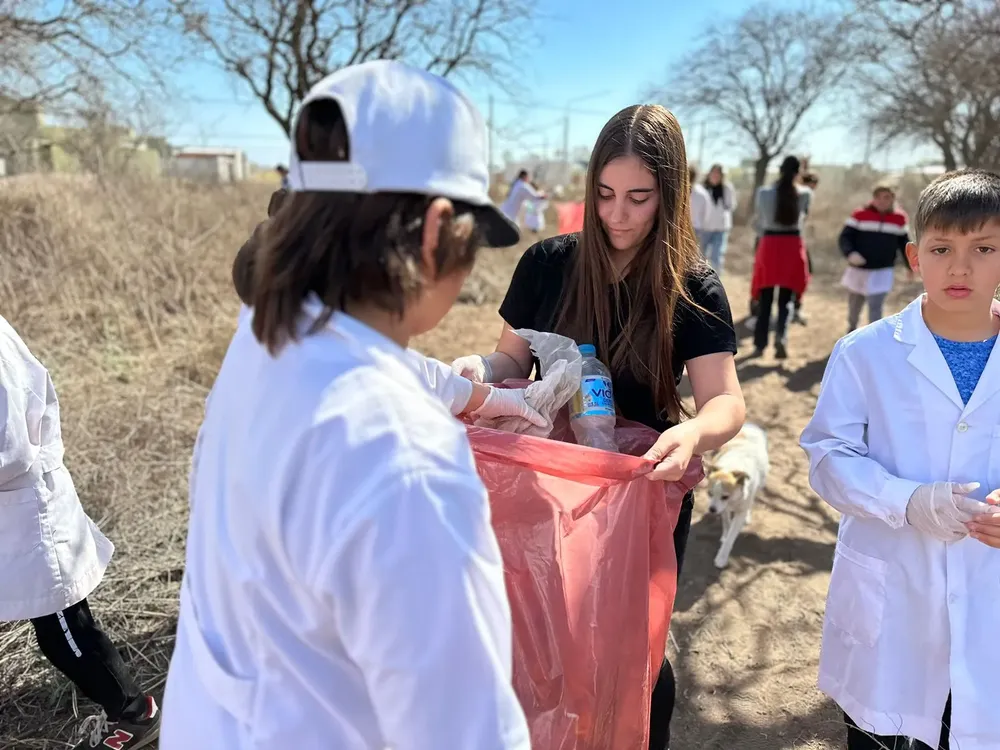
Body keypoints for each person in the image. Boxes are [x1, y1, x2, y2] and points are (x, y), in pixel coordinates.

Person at [160, 60, 535, 749]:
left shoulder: (266, 336)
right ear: (436, 232)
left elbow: (375, 368)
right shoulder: (404, 457)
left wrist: (484, 396)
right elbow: (466, 733)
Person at [451, 103, 746, 750]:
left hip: (642, 485)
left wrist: (692, 435)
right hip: (549, 483)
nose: (618, 215)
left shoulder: (692, 286)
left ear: (671, 195)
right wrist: (477, 370)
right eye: (605, 194)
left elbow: (725, 401)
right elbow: (512, 360)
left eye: (640, 198)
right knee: (545, 632)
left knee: (635, 644)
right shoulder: (548, 263)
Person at [799, 168, 1000, 750]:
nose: (960, 268)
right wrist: (906, 501)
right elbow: (828, 455)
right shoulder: (865, 353)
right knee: (883, 732)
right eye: (941, 249)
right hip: (892, 607)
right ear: (914, 257)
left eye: (983, 249)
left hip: (989, 602)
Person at [0, 316, 160, 749]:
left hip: (31, 517)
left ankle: (134, 712)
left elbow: (11, 449)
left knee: (66, 634)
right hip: (17, 515)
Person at [749, 155, 812, 359]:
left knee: (765, 297)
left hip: (770, 244)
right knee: (786, 298)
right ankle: (781, 338)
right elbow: (804, 217)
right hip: (792, 244)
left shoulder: (764, 193)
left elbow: (759, 221)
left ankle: (760, 344)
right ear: (798, 172)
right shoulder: (805, 193)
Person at [839, 185, 912, 333]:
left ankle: (874, 337)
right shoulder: (860, 215)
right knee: (855, 305)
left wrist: (910, 266)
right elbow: (845, 237)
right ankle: (851, 331)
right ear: (873, 199)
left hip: (882, 270)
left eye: (886, 197)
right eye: (878, 197)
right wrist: (850, 253)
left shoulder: (899, 219)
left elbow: (904, 244)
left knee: (875, 306)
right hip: (858, 269)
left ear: (892, 199)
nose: (882, 201)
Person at [792, 172, 820, 325]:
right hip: (791, 242)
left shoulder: (806, 196)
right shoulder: (795, 196)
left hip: (799, 241)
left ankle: (795, 308)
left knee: (804, 274)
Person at [698, 163, 737, 273]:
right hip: (704, 228)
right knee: (700, 256)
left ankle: (716, 279)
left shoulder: (727, 188)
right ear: (709, 174)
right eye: (713, 172)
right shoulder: (702, 188)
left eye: (718, 173)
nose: (715, 175)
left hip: (721, 228)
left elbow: (731, 205)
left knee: (717, 256)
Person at [689, 165, 709, 248]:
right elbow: (706, 213)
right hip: (695, 227)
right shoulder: (702, 193)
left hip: (694, 228)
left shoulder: (701, 193)